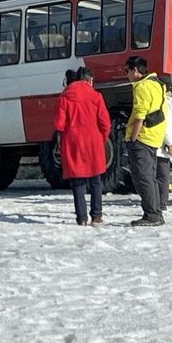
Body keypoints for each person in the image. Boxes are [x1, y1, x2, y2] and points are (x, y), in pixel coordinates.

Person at [54, 67, 111, 226]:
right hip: (94, 142)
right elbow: (105, 122)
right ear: (89, 80)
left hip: (73, 142)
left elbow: (59, 124)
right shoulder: (96, 96)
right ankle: (97, 216)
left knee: (78, 182)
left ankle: (82, 218)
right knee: (96, 180)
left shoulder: (64, 98)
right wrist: (102, 138)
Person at [125, 56, 168, 226]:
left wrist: (133, 138)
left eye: (127, 70)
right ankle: (156, 211)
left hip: (142, 137)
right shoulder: (157, 84)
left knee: (143, 177)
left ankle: (152, 215)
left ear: (135, 70)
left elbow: (139, 115)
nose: (126, 74)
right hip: (154, 136)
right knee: (150, 176)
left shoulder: (141, 87)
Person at [156, 85, 172, 212]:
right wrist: (170, 143)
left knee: (161, 175)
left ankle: (160, 202)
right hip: (162, 146)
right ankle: (161, 203)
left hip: (161, 145)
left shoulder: (165, 102)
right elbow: (167, 125)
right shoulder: (164, 103)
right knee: (163, 176)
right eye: (170, 89)